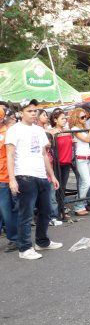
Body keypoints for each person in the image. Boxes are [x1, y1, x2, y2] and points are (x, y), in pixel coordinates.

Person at [6, 99, 62, 260]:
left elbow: (43, 154)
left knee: (46, 211)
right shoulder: (14, 130)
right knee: (26, 213)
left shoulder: (38, 130)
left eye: (35, 110)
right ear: (21, 113)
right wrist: (12, 179)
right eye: (29, 111)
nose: (33, 113)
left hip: (41, 175)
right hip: (24, 175)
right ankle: (24, 248)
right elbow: (10, 154)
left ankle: (42, 242)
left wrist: (51, 175)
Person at [69, 107, 90, 216]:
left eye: (85, 117)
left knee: (83, 183)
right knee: (87, 183)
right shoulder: (74, 128)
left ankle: (81, 204)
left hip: (88, 158)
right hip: (80, 158)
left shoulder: (84, 128)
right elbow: (86, 139)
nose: (84, 119)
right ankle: (78, 206)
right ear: (76, 118)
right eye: (82, 117)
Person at [0, 105, 18, 252]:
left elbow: (10, 157)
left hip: (5, 178)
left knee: (7, 210)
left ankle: (15, 239)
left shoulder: (7, 133)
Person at [49, 109, 73, 219]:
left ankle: (61, 210)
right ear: (55, 120)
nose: (64, 120)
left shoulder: (68, 131)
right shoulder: (51, 132)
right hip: (56, 163)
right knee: (55, 188)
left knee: (62, 187)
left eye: (65, 118)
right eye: (62, 118)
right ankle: (55, 213)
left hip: (67, 162)